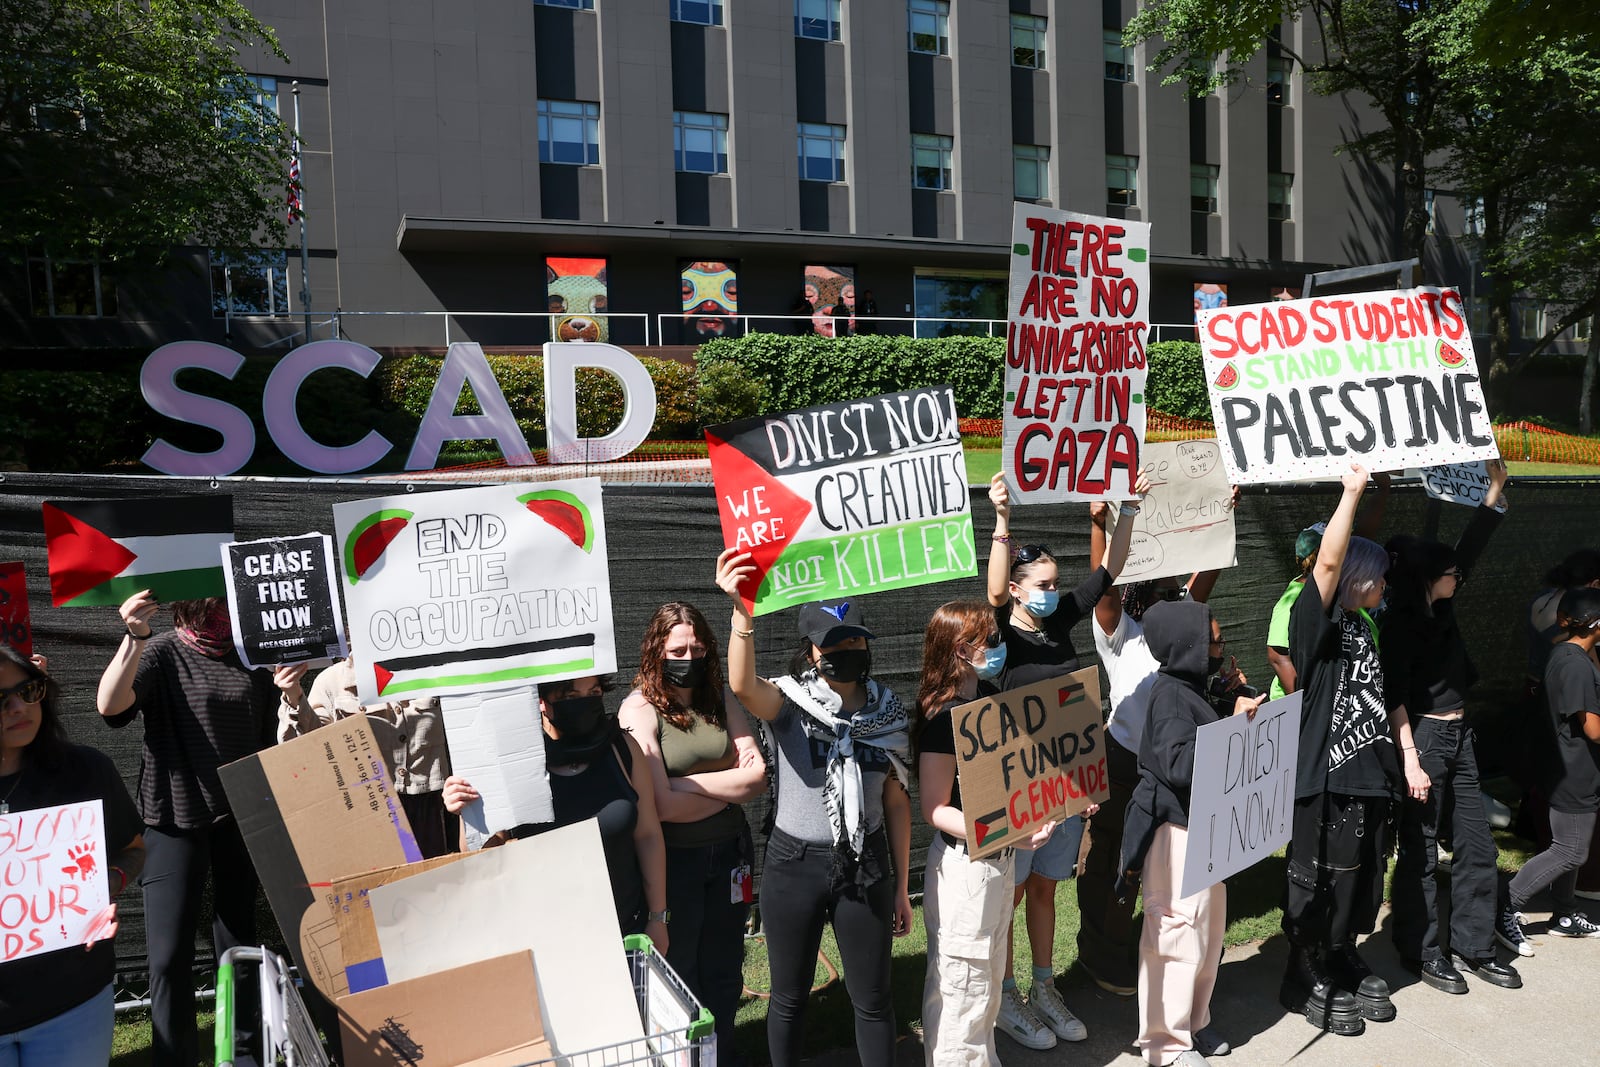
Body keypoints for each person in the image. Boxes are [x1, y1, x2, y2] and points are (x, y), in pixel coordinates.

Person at [715, 550, 913, 1067]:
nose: (847, 649)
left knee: (873, 1001)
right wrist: (742, 614)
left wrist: (898, 882)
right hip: (793, 865)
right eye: (834, 643)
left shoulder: (887, 710)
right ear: (811, 652)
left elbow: (894, 798)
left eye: (854, 640)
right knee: (789, 997)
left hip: (865, 863)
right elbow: (741, 685)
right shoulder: (787, 703)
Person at [983, 470, 1144, 1050]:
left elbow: (1110, 573)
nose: (1052, 590)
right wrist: (1002, 519)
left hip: (1065, 787)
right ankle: (1006, 998)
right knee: (1014, 893)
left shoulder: (1061, 622)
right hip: (1018, 790)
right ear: (1023, 588)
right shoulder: (1002, 631)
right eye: (1042, 583)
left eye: (1055, 581)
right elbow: (995, 592)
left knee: (1049, 887)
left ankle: (1044, 986)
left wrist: (1126, 511)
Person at [96, 592, 280, 1067]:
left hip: (240, 816)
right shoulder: (162, 651)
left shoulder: (254, 655)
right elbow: (111, 709)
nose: (220, 611)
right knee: (167, 956)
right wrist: (134, 636)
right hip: (173, 818)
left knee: (238, 945)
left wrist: (292, 690)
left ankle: (245, 1054)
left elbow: (270, 737)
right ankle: (174, 1059)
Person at [1077, 492, 1233, 1000]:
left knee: (1162, 867)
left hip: (1173, 769)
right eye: (1163, 590)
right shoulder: (1122, 634)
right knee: (1112, 864)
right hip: (1123, 765)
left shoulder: (1180, 635)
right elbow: (1103, 592)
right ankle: (1102, 954)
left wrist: (1220, 512)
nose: (1176, 596)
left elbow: (1203, 583)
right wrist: (1100, 525)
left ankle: (1155, 946)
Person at [1382, 460, 1520, 994]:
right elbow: (1394, 697)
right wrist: (1411, 759)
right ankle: (1420, 949)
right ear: (1423, 579)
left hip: (1461, 740)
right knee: (1419, 849)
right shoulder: (1399, 624)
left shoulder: (1442, 605)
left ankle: (1475, 945)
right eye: (1448, 574)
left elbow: (1467, 552)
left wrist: (1494, 491)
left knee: (1477, 847)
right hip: (1426, 740)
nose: (1457, 577)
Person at [1280, 464, 1402, 1037]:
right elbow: (1328, 561)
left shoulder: (1365, 624)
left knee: (1359, 881)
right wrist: (1351, 491)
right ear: (1353, 580)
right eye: (1376, 579)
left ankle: (1340, 951)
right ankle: (1304, 970)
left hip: (1369, 776)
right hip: (1325, 777)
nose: (1384, 589)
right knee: (1318, 880)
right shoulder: (1315, 618)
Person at [1118, 600, 1266, 1066]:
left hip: (1203, 829)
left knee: (1206, 934)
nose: (1220, 649)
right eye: (1214, 641)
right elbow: (1180, 763)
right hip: (1175, 834)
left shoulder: (1192, 689)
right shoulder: (1170, 697)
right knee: (1175, 937)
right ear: (1189, 647)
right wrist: (1230, 727)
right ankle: (1166, 1045)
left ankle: (1192, 1023)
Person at [619, 603, 767, 1056]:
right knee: (679, 975)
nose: (689, 657)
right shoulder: (639, 709)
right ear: (656, 651)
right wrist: (728, 789)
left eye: (697, 648)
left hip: (731, 857)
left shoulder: (719, 698)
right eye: (678, 649)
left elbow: (758, 777)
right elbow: (659, 807)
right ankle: (684, 1059)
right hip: (676, 864)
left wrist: (685, 784)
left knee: (725, 969)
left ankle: (722, 1054)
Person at [914, 601, 1058, 1066]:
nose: (998, 646)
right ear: (960, 649)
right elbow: (936, 808)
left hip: (998, 864)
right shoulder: (942, 716)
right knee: (961, 991)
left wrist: (1064, 797)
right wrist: (1009, 833)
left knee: (988, 984)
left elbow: (1015, 777)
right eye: (989, 639)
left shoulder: (992, 698)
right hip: (966, 869)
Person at [442, 675, 670, 951]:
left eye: (594, 692)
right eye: (570, 698)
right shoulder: (509, 762)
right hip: (544, 940)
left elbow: (648, 836)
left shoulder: (623, 749)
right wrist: (467, 812)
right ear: (541, 703)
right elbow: (483, 856)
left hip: (623, 931)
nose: (585, 703)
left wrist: (657, 918)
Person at [0, 646, 142, 1066]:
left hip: (73, 1003)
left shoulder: (85, 770)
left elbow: (133, 850)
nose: (17, 708)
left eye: (28, 691)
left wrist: (106, 885)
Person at [1499, 587, 1600, 952]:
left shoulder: (1567, 652)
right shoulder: (1575, 667)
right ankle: (1506, 906)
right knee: (1570, 851)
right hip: (1575, 769)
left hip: (1569, 765)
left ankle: (1565, 913)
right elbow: (1593, 728)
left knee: (1570, 845)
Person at [277, 654, 457, 858]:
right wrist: (293, 695)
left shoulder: (437, 671)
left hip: (434, 810)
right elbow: (304, 751)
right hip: (365, 810)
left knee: (435, 886)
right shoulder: (333, 681)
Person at [1266, 473, 1389, 700]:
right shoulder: (1295, 599)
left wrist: (1383, 489)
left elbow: (1364, 536)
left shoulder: (1345, 596)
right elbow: (1277, 654)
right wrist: (1306, 703)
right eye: (1342, 547)